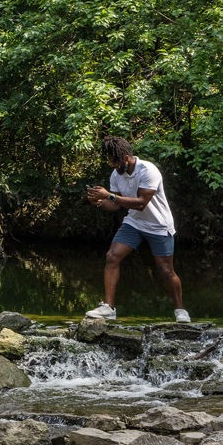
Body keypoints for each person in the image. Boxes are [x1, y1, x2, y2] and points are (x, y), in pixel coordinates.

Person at [83, 136, 188, 323]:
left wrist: (110, 196)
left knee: (166, 270)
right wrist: (99, 202)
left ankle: (180, 310)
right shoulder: (116, 175)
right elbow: (116, 206)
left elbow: (141, 203)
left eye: (115, 161)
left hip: (158, 224)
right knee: (112, 257)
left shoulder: (148, 170)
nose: (112, 166)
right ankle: (108, 308)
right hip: (134, 222)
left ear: (125, 157)